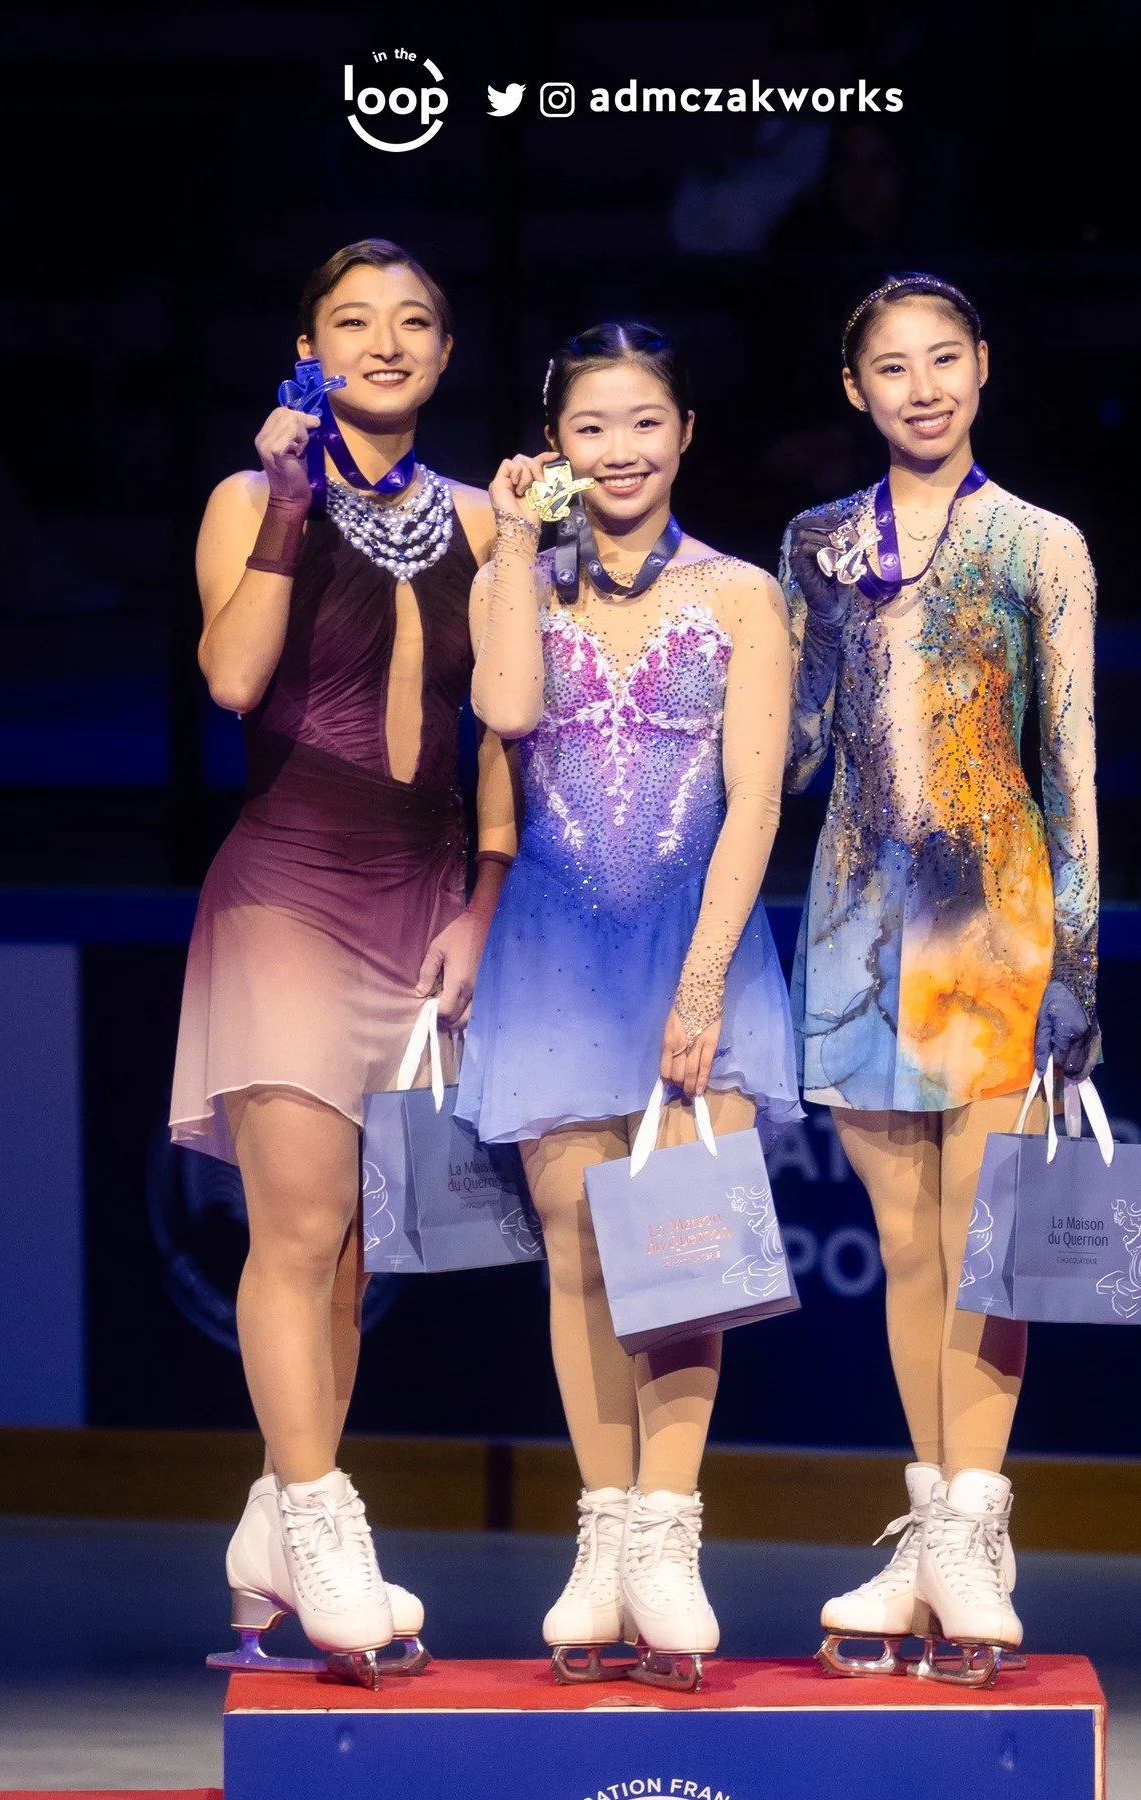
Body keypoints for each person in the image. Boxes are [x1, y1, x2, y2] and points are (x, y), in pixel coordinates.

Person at [169, 239, 516, 1679]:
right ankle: (321, 1522)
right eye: (354, 322)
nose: (387, 342)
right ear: (308, 348)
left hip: (421, 895)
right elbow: (235, 680)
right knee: (297, 1232)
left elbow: (508, 729)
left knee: (353, 1251)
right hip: (288, 892)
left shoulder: (489, 522)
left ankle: (272, 1520)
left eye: (414, 322)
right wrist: (292, 506)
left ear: (443, 354)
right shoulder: (254, 498)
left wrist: (483, 901)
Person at [458, 324, 800, 1688]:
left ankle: (669, 1533)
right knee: (578, 1254)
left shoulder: (741, 597)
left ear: (686, 432)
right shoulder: (525, 582)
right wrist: (497, 549)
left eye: (644, 422)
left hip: (690, 942)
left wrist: (704, 978)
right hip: (550, 947)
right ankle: (602, 1542)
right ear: (556, 447)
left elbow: (759, 797)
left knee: (682, 1256)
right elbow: (506, 702)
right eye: (592, 428)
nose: (621, 452)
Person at [783, 273, 1098, 1685]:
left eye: (945, 359)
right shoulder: (815, 546)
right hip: (852, 915)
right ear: (855, 390)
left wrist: (1080, 958)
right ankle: (933, 1522)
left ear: (983, 368)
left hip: (994, 913)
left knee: (989, 1237)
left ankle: (976, 1522)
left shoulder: (1040, 546)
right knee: (908, 1241)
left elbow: (1072, 769)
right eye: (891, 367)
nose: (922, 386)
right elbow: (789, 754)